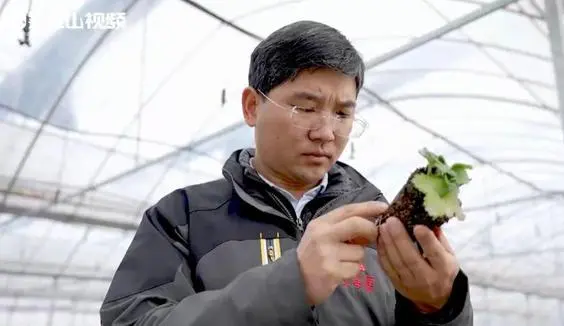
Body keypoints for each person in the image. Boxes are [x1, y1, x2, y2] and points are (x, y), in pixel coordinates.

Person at [100, 20, 473, 326]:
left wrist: (441, 309)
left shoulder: (379, 225)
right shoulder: (184, 218)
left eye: (343, 114)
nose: (326, 133)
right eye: (305, 108)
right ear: (251, 107)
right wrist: (291, 284)